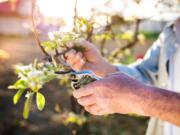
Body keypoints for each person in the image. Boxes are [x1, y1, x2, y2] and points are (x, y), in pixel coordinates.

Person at [65, 17, 180, 135]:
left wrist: (140, 98)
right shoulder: (173, 30)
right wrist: (104, 68)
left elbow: (141, 94)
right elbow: (146, 73)